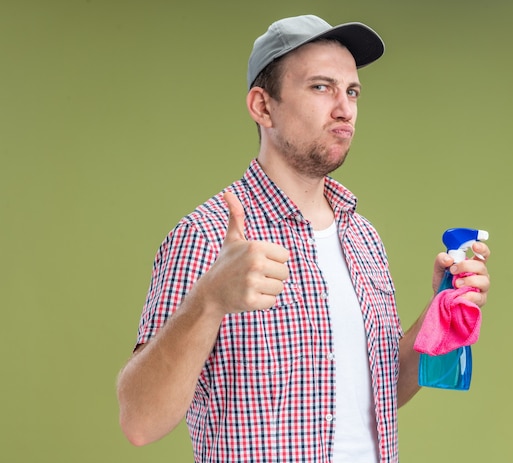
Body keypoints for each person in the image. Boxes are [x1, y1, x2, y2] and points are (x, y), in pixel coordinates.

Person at [116, 14, 491, 463]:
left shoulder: (363, 237)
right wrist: (209, 300)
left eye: (351, 91)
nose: (344, 108)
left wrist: (439, 308)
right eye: (321, 87)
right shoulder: (208, 234)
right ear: (262, 106)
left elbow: (378, 396)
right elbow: (139, 421)